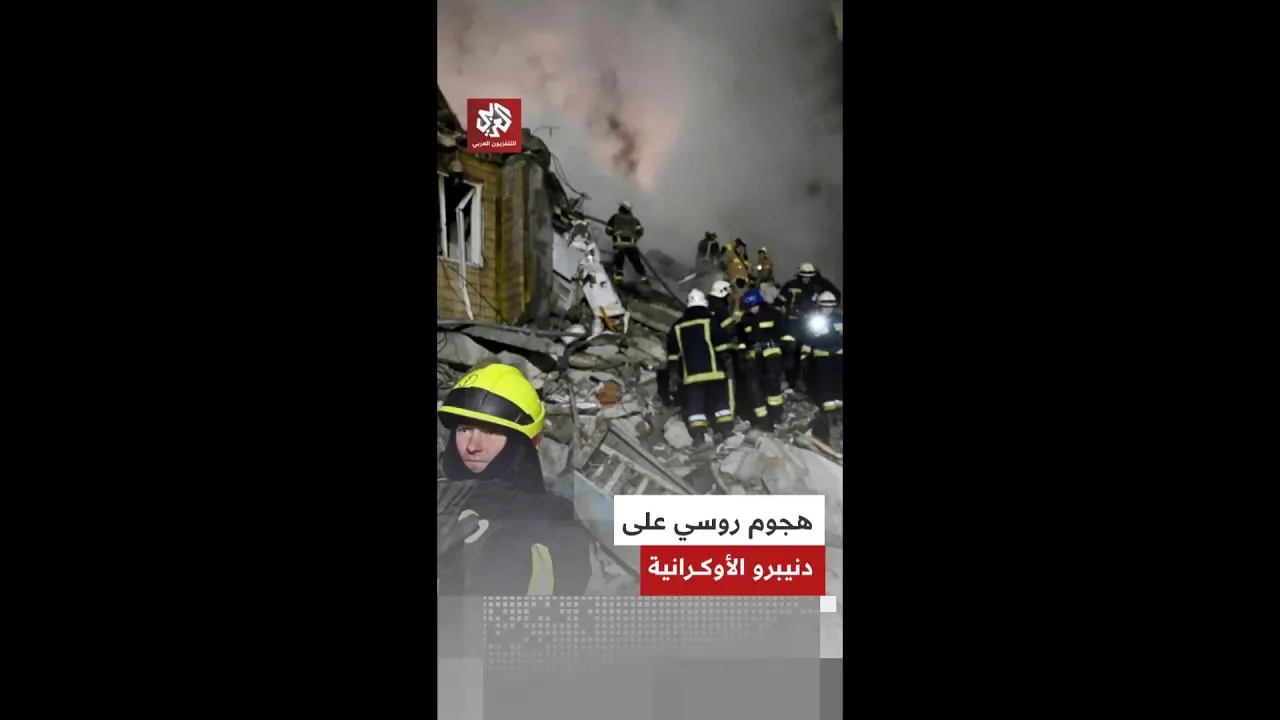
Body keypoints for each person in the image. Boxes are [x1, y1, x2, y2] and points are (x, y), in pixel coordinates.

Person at [436, 362, 593, 596]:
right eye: (465, 429)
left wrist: (485, 556)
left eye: (491, 431)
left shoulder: (554, 517)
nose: (472, 446)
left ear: (523, 441)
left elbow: (561, 595)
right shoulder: (443, 496)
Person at [667, 289, 735, 443]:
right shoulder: (710, 321)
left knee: (695, 405)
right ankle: (725, 431)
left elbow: (673, 353)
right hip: (714, 372)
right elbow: (722, 346)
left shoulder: (678, 325)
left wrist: (674, 373)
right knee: (720, 402)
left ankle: (698, 436)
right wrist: (727, 364)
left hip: (691, 376)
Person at [735, 288, 796, 430]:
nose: (752, 309)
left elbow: (787, 334)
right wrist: (742, 354)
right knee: (753, 387)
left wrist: (788, 353)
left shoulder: (773, 314)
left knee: (772, 385)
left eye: (754, 306)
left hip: (772, 354)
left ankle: (776, 416)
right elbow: (742, 340)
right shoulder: (745, 319)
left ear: (760, 303)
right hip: (754, 357)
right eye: (749, 307)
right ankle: (763, 420)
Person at [775, 262, 842, 388]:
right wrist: (780, 317)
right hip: (792, 323)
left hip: (809, 322)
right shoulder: (790, 285)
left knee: (809, 352)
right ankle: (791, 381)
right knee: (791, 351)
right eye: (804, 276)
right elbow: (778, 303)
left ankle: (809, 382)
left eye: (809, 276)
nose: (806, 278)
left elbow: (834, 296)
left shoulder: (817, 287)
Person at [800, 291, 844, 445]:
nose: (827, 309)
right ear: (820, 306)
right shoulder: (815, 321)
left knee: (838, 384)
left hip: (838, 357)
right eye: (825, 306)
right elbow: (808, 340)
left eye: (830, 306)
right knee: (825, 385)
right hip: (822, 357)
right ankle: (827, 414)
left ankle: (838, 413)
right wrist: (804, 356)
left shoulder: (839, 319)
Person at [706, 280, 746, 425]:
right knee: (729, 385)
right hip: (724, 352)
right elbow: (728, 328)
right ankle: (729, 417)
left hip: (710, 352)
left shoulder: (708, 306)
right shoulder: (721, 308)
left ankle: (712, 416)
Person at [605, 201, 647, 284]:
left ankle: (618, 281)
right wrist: (635, 238)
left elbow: (608, 230)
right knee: (636, 262)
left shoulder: (615, 217)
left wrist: (614, 233)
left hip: (619, 244)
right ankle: (644, 278)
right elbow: (640, 231)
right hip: (631, 245)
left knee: (619, 263)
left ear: (622, 208)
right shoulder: (634, 219)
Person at [724, 239, 752, 307]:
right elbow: (726, 254)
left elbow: (749, 272)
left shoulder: (744, 260)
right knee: (737, 300)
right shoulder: (731, 256)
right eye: (739, 247)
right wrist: (733, 243)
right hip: (736, 284)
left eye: (742, 248)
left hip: (744, 284)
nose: (741, 249)